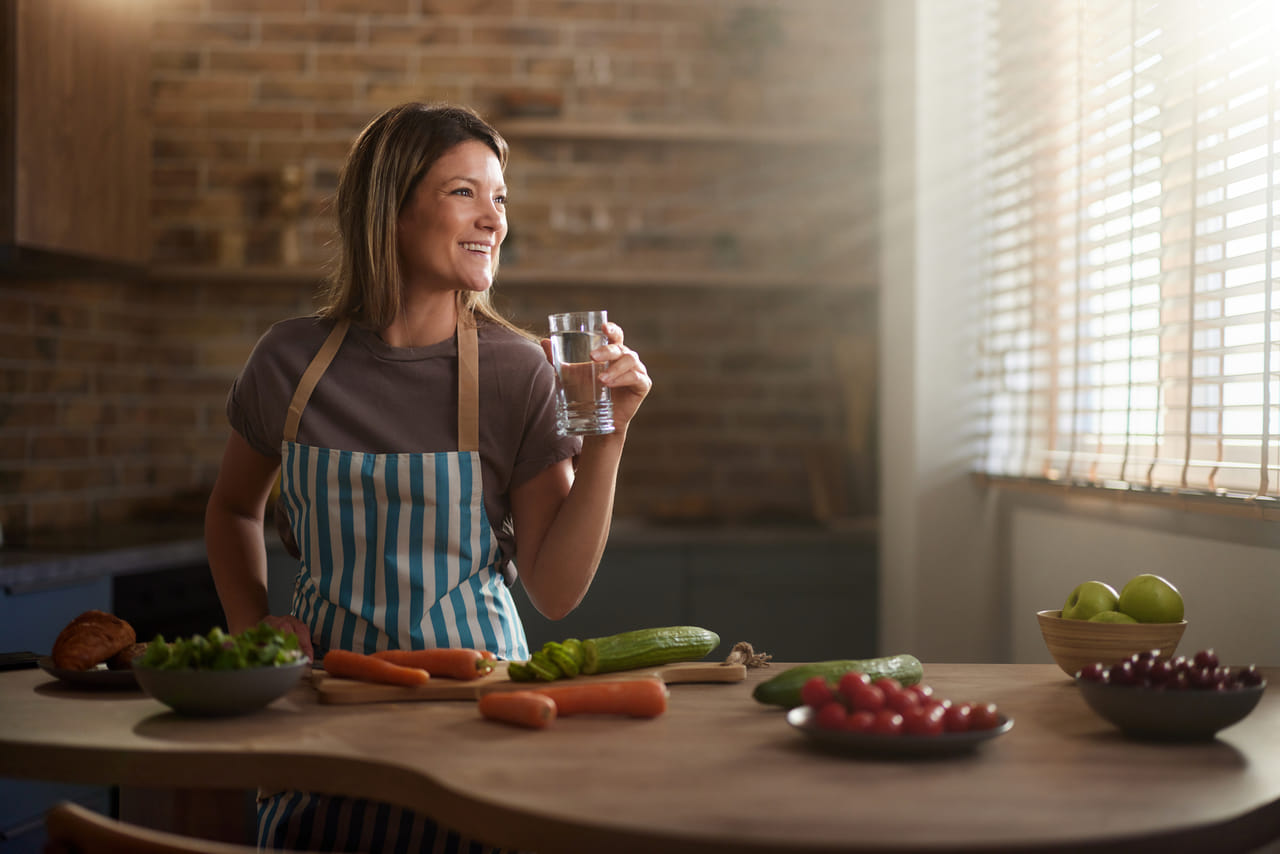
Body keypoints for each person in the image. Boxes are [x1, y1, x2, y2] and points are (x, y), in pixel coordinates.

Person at [204, 102, 651, 853]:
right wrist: (255, 637)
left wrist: (611, 435)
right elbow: (230, 512)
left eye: (500, 197)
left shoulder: (517, 370)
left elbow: (554, 589)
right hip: (324, 715)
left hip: (481, 717)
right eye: (464, 193)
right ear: (391, 208)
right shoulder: (288, 362)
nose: (494, 220)